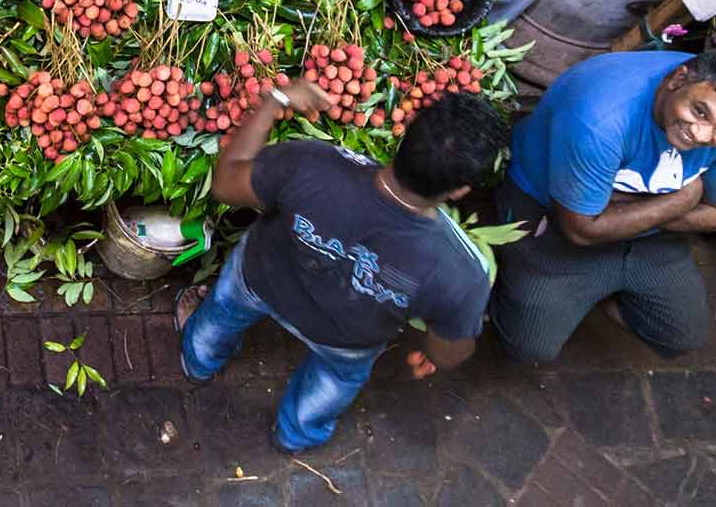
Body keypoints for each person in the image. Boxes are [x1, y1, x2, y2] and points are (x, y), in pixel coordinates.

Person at [177, 87, 510, 453]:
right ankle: (296, 435)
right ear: (461, 190)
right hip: (345, 340)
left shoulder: (311, 163)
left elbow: (226, 184)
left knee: (221, 314)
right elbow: (449, 352)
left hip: (260, 279)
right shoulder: (459, 271)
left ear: (406, 130)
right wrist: (431, 350)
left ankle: (198, 362)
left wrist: (276, 100)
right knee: (333, 380)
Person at [491, 49, 716, 365]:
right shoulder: (601, 118)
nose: (701, 134)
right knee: (529, 348)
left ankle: (599, 291)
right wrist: (684, 199)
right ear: (677, 79)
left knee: (683, 336)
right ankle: (514, 283)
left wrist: (623, 212)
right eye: (700, 112)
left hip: (642, 230)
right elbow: (579, 230)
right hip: (548, 210)